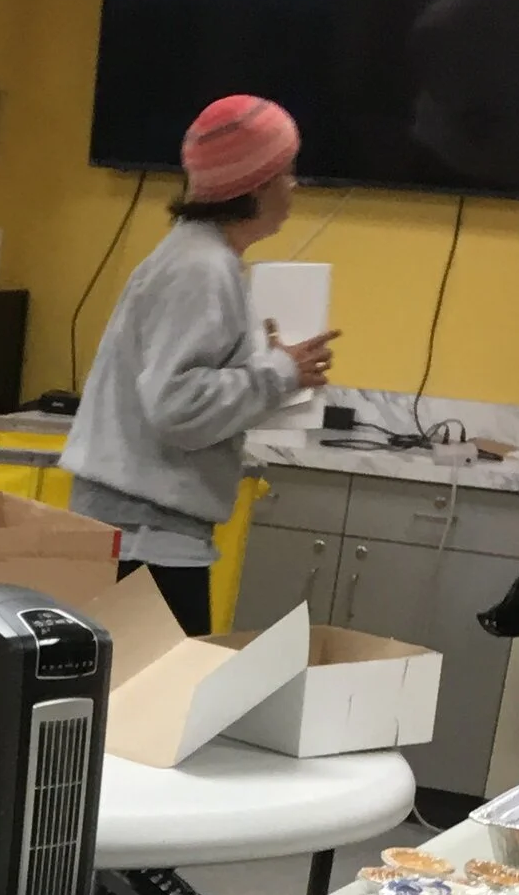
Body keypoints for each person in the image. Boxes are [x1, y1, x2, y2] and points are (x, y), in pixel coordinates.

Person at [63, 93, 337, 636]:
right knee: (161, 692)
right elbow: (177, 406)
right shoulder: (201, 269)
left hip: (142, 532)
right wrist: (279, 374)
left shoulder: (199, 258)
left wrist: (263, 367)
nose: (295, 186)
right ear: (254, 187)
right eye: (286, 172)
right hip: (144, 539)